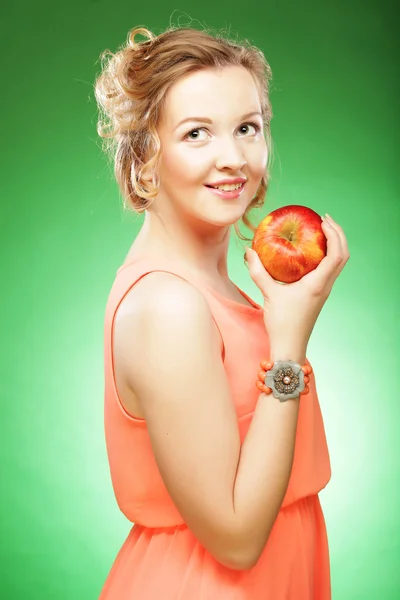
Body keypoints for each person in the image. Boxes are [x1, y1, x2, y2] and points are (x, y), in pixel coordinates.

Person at [94, 24, 349, 599]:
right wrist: (288, 350)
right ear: (145, 157)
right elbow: (235, 539)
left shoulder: (207, 288)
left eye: (247, 128)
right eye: (196, 133)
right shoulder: (168, 306)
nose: (233, 157)